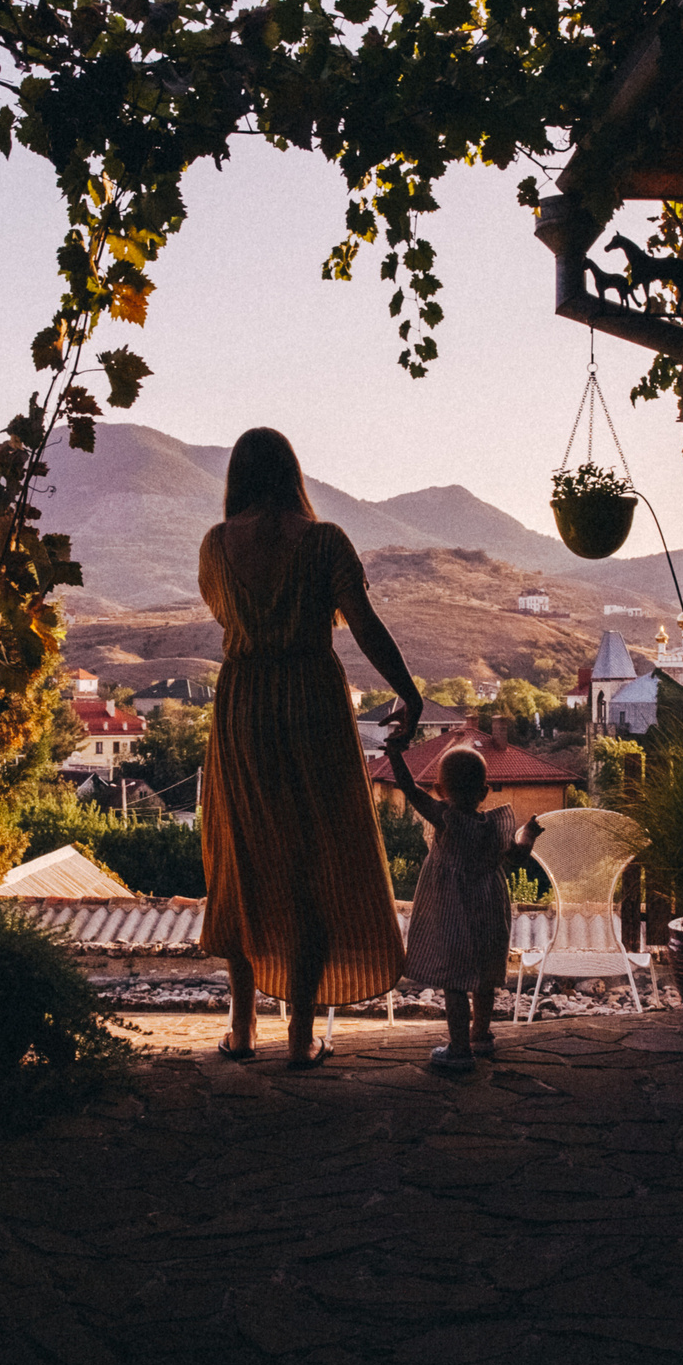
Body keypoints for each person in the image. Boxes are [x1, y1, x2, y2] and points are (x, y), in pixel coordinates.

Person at [198, 427, 422, 1068]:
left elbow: (225, 617)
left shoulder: (217, 546)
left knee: (240, 854)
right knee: (312, 857)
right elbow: (365, 625)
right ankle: (300, 1037)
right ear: (293, 473)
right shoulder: (324, 542)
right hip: (313, 706)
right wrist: (408, 692)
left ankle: (241, 1030)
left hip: (242, 707)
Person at [380, 735, 542, 1072]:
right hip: (490, 910)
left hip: (453, 911)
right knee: (484, 976)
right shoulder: (495, 826)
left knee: (454, 979)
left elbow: (410, 791)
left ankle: (458, 1048)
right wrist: (528, 833)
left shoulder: (446, 819)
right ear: (485, 792)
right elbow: (518, 855)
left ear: (440, 790)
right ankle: (480, 1036)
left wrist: (395, 755)